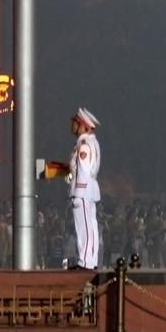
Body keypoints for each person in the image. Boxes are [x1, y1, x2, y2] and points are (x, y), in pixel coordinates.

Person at [66, 107, 101, 270]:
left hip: (83, 191)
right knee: (89, 226)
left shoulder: (84, 145)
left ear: (84, 126)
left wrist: (77, 192)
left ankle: (85, 262)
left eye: (77, 123)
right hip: (88, 190)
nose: (73, 126)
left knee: (84, 227)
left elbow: (84, 171)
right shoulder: (89, 142)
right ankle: (89, 260)